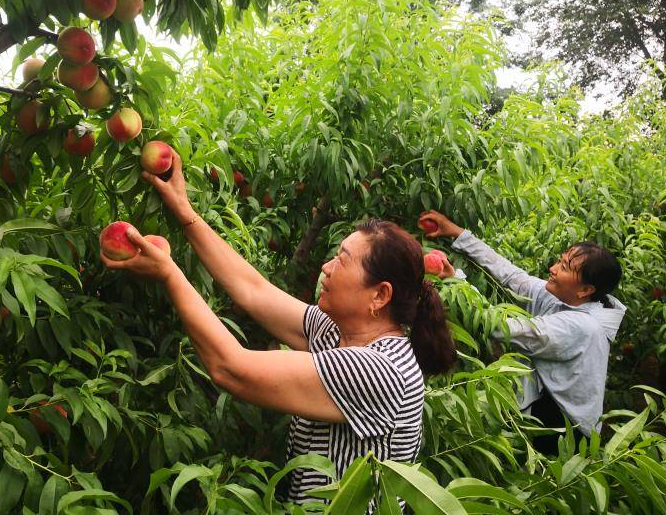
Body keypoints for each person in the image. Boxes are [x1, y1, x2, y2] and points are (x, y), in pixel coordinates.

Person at [101, 153, 457, 509]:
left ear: (379, 295)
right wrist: (184, 212)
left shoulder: (379, 369)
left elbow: (231, 368)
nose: (327, 266)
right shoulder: (337, 330)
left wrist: (168, 273)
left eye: (343, 260)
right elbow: (252, 290)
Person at [419, 210, 625, 453]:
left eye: (565, 267)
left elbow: (497, 327)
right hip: (546, 400)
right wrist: (457, 232)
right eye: (559, 260)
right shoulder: (562, 298)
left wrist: (456, 282)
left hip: (567, 428)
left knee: (544, 480)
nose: (553, 268)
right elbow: (512, 275)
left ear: (585, 290)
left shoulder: (580, 328)